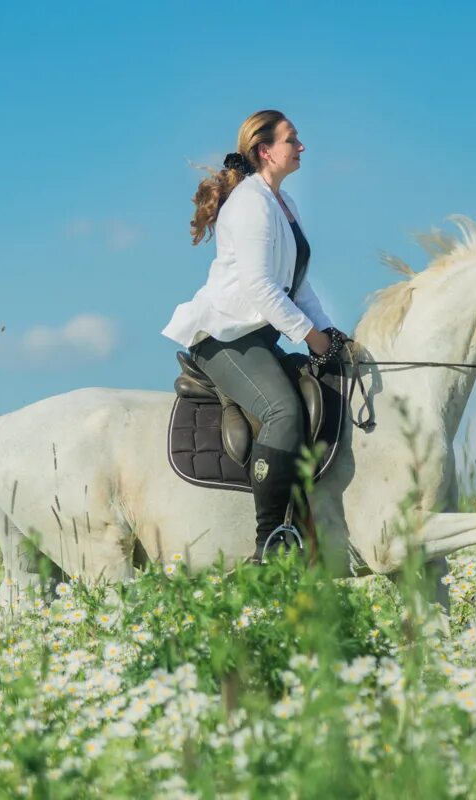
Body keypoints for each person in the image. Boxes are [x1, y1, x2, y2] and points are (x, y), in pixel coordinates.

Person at [162, 109, 345, 564]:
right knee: (282, 410)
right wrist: (309, 337)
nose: (301, 147)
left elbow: (297, 285)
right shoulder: (249, 204)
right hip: (223, 338)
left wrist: (328, 331)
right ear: (265, 151)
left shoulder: (284, 205)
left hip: (258, 338)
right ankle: (270, 542)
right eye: (292, 140)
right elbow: (259, 287)